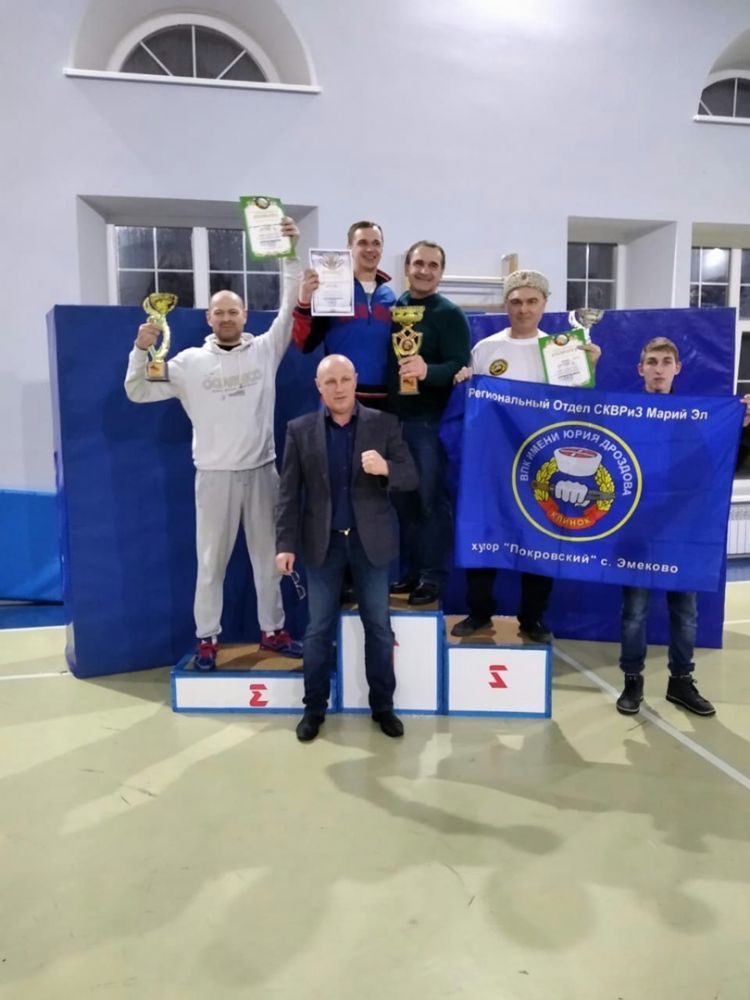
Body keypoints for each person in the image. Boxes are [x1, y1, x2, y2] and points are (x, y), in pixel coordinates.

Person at [125, 216, 316, 670]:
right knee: (210, 564)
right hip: (213, 477)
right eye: (219, 312)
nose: (227, 318)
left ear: (245, 315)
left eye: (234, 311)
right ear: (208, 318)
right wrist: (140, 349)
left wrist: (290, 250)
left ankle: (273, 631)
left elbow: (289, 304)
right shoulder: (187, 362)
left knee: (269, 561)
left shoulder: (265, 350)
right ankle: (207, 638)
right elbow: (137, 390)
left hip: (262, 472)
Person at [450, 269, 601, 641]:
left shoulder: (561, 349)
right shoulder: (486, 349)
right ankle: (479, 613)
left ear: (545, 304)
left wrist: (589, 368)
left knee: (540, 539)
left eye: (532, 301)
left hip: (541, 463)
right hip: (492, 463)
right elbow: (473, 405)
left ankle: (532, 618)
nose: (523, 309)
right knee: (484, 535)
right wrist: (464, 382)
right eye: (516, 301)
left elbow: (576, 406)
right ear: (506, 304)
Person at [275, 354, 418, 742]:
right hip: (322, 544)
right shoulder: (299, 430)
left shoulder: (384, 424)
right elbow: (288, 494)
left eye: (344, 379)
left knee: (379, 629)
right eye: (330, 382)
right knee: (318, 630)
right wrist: (285, 544)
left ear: (355, 380)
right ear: (318, 387)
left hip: (371, 543)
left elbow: (410, 476)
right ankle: (313, 708)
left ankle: (383, 707)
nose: (338, 388)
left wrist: (386, 468)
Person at [616, 337, 750, 716]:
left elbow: (723, 463)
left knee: (685, 612)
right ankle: (632, 682)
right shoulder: (623, 413)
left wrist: (741, 427)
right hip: (637, 529)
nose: (658, 369)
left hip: (685, 530)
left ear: (677, 368)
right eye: (652, 361)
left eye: (665, 362)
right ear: (641, 368)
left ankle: (681, 682)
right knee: (634, 612)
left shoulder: (700, 416)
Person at [387, 240, 471, 605]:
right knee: (402, 503)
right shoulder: (395, 308)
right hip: (393, 423)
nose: (424, 270)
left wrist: (427, 371)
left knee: (430, 502)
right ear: (407, 267)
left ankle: (433, 577)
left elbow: (460, 366)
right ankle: (410, 572)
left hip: (429, 423)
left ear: (442, 272)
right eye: (419, 263)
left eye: (433, 265)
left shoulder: (450, 314)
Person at [291, 220, 396, 409]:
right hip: (340, 396)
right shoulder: (330, 290)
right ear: (349, 248)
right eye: (362, 243)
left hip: (383, 399)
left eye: (376, 243)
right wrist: (304, 301)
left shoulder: (390, 297)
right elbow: (304, 344)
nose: (370, 249)